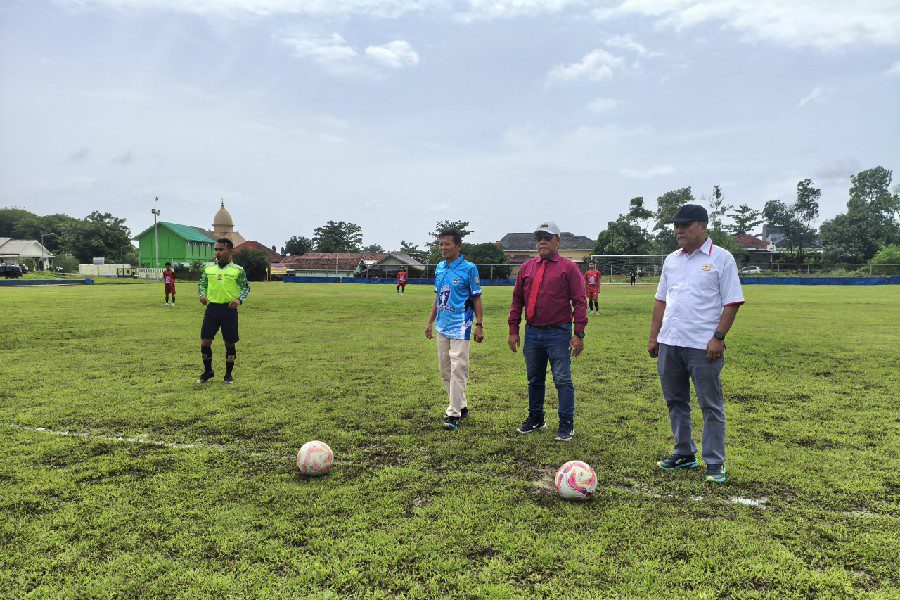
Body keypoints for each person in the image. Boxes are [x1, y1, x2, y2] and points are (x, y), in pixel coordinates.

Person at [648, 204, 744, 484]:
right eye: (677, 226)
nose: (679, 230)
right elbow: (661, 300)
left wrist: (719, 337)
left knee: (710, 405)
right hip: (671, 343)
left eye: (686, 225)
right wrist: (655, 337)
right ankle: (684, 452)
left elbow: (732, 302)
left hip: (703, 346)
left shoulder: (721, 258)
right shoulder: (672, 260)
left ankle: (714, 461)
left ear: (702, 226)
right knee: (675, 401)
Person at [508, 222, 588, 441]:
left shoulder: (568, 267)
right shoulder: (527, 267)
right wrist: (513, 329)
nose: (542, 241)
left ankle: (566, 423)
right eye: (539, 238)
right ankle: (536, 418)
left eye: (547, 237)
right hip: (532, 332)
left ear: (557, 241)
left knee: (562, 379)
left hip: (558, 332)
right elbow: (517, 300)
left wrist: (578, 333)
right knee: (534, 379)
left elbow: (580, 301)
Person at [425, 229, 484, 431]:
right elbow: (438, 297)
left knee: (458, 368)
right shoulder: (440, 268)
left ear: (458, 246)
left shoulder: (469, 269)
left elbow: (476, 298)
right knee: (445, 371)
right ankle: (462, 405)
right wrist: (430, 322)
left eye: (447, 244)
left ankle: (453, 414)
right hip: (443, 326)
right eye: (441, 244)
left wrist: (479, 325)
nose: (443, 247)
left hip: (461, 326)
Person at [197, 239, 250, 385]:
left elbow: (246, 288)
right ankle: (208, 372)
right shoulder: (208, 268)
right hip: (212, 309)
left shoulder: (238, 270)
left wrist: (239, 299)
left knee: (229, 343)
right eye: (215, 250)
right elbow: (202, 285)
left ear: (230, 251)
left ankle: (228, 375)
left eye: (220, 249)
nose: (217, 253)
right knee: (205, 342)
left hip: (229, 311)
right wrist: (201, 295)